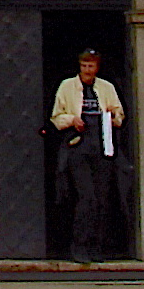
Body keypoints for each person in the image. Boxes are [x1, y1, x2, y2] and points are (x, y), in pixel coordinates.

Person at [48, 49, 130, 263]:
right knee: (87, 197)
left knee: (102, 198)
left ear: (97, 68)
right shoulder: (67, 87)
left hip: (103, 146)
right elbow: (56, 117)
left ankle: (97, 246)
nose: (87, 70)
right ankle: (79, 245)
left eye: (91, 66)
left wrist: (112, 118)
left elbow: (119, 114)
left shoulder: (106, 88)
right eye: (84, 66)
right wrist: (72, 120)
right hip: (78, 145)